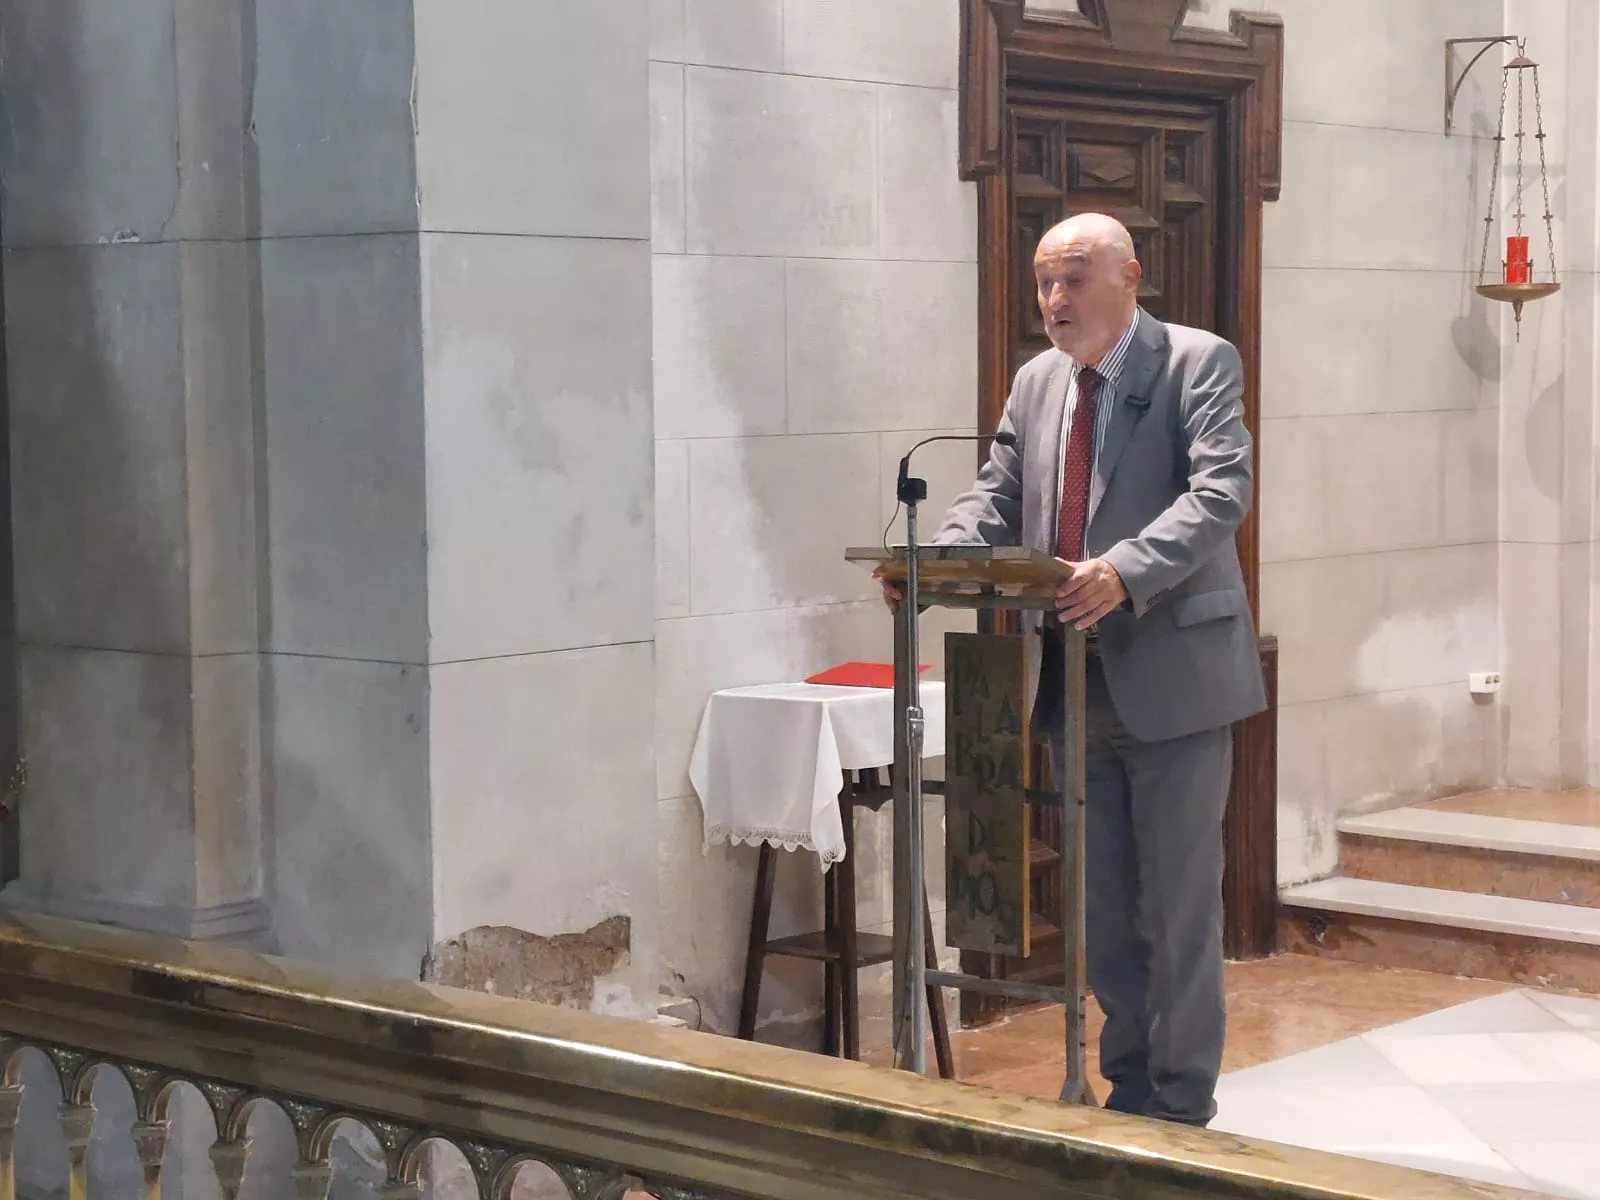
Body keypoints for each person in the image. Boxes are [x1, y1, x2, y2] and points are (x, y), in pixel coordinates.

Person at [884, 212, 1264, 1126]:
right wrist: (934, 560)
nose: (1055, 300)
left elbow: (1223, 491)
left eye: (1075, 278)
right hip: (1076, 684)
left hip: (1173, 678)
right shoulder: (1037, 382)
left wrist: (1123, 571)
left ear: (1131, 275)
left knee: (1178, 909)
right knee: (1100, 915)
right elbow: (998, 491)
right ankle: (1127, 1089)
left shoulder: (1195, 362)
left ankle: (1181, 1104)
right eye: (1045, 282)